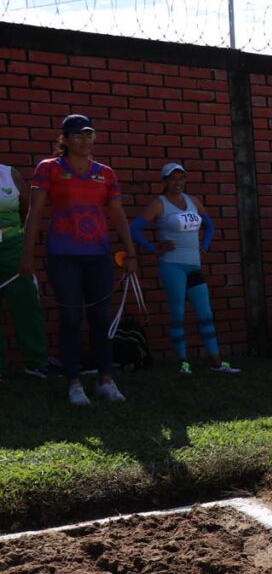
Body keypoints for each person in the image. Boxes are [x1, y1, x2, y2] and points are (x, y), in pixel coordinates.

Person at [21, 114, 136, 405]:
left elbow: (118, 215)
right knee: (71, 318)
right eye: (78, 135)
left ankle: (105, 380)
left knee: (101, 319)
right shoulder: (49, 169)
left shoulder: (105, 173)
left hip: (98, 255)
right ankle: (74, 383)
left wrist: (130, 251)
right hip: (63, 255)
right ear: (65, 139)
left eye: (89, 135)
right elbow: (34, 213)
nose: (85, 141)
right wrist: (27, 255)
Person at [130, 163, 240, 376]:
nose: (178, 182)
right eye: (173, 178)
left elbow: (210, 226)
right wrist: (154, 248)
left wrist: (205, 245)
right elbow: (134, 229)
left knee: (205, 313)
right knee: (178, 312)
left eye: (181, 178)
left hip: (193, 265)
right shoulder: (159, 204)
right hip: (172, 264)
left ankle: (216, 361)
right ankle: (183, 363)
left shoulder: (193, 201)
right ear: (164, 182)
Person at [0, 162, 48, 380]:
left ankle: (36, 362)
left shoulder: (9, 173)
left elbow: (27, 209)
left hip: (13, 247)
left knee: (27, 303)